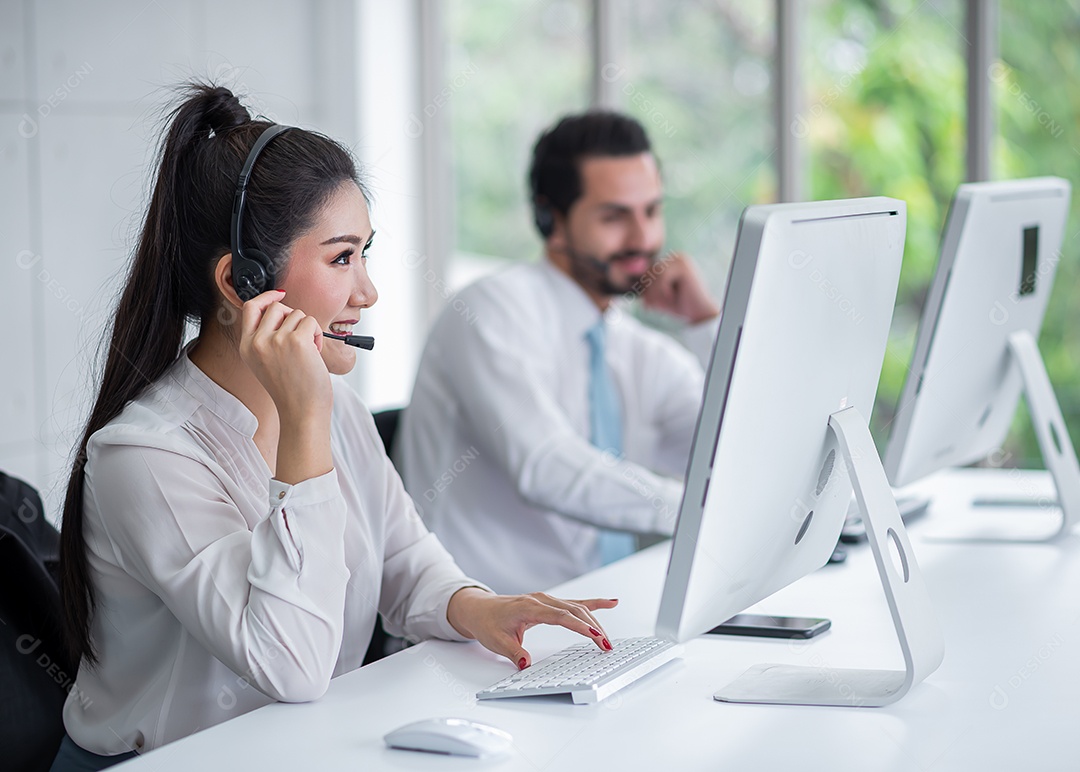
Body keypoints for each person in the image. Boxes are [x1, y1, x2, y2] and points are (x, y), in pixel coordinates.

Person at [52, 84, 617, 771]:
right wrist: (305, 421)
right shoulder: (145, 456)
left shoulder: (333, 407)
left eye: (366, 253)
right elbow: (291, 663)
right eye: (342, 257)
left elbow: (404, 565)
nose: (368, 292)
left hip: (295, 747)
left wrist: (478, 608)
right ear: (243, 283)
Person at [398, 111, 720, 595]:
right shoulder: (490, 310)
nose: (642, 240)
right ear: (552, 219)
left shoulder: (634, 346)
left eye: (651, 211)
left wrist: (706, 325)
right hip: (472, 635)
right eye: (614, 217)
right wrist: (701, 512)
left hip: (593, 620)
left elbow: (727, 448)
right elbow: (545, 466)